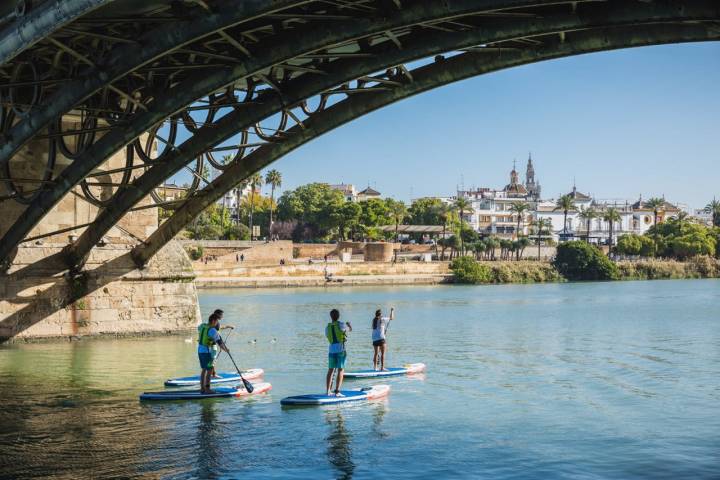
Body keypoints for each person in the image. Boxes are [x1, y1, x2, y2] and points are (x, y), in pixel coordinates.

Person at [198, 313, 230, 394]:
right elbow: (220, 343)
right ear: (213, 321)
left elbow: (200, 331)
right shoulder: (212, 330)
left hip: (200, 351)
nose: (217, 324)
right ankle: (208, 389)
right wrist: (226, 350)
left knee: (204, 369)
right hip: (207, 352)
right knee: (209, 370)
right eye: (216, 321)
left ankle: (202, 388)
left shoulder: (202, 326)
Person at [325, 309, 352, 396]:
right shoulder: (342, 325)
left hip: (331, 350)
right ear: (338, 316)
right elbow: (349, 330)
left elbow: (328, 336)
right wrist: (349, 325)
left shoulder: (327, 327)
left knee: (330, 370)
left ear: (330, 317)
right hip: (341, 350)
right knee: (341, 370)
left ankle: (328, 391)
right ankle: (337, 391)